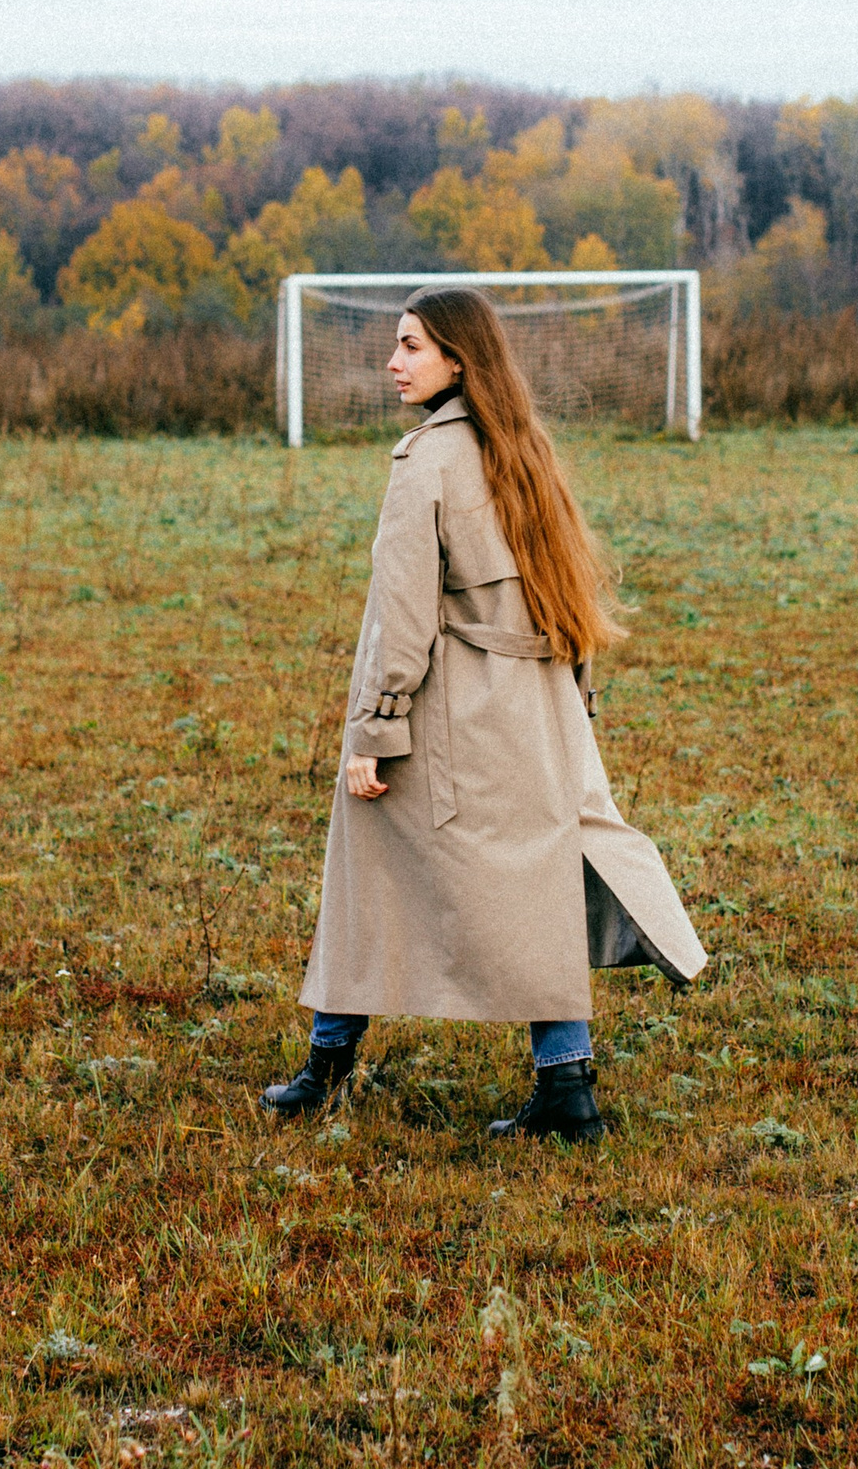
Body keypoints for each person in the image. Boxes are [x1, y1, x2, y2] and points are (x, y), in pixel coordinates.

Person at [262, 283, 706, 1141]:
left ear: (459, 361)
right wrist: (575, 703)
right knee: (539, 887)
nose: (392, 363)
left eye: (411, 347)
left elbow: (402, 618)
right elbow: (571, 591)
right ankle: (567, 1091)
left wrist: (375, 731)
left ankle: (326, 1070)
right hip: (538, 712)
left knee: (367, 875)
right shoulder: (525, 449)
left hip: (453, 712)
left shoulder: (425, 460)